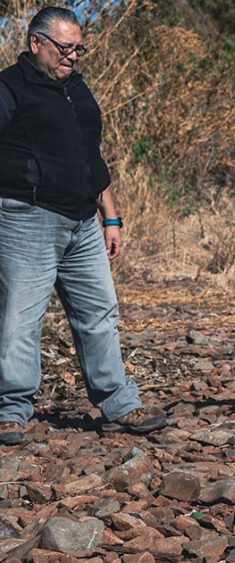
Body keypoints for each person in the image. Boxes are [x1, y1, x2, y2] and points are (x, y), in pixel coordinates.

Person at [0, 7, 166, 446]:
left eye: (79, 48)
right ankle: (11, 411)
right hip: (27, 219)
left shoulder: (77, 87)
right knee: (20, 318)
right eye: (65, 48)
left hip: (84, 223)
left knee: (100, 314)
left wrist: (109, 215)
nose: (74, 56)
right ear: (36, 43)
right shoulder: (8, 87)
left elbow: (92, 158)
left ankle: (119, 405)